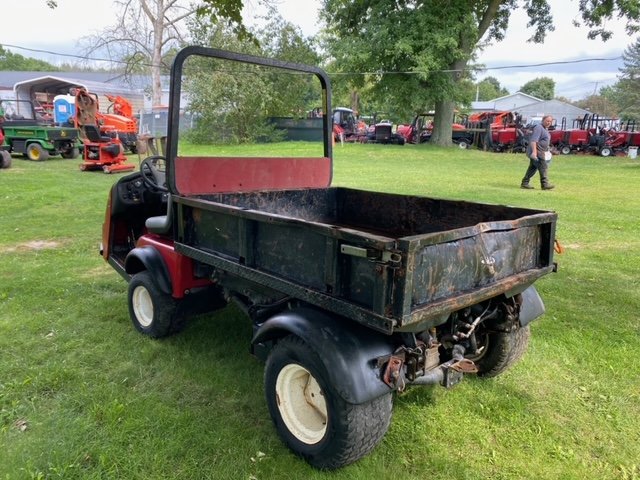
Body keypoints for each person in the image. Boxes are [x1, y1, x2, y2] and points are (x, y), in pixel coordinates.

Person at [521, 115, 555, 190]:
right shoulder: (538, 128)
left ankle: (525, 183)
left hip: (542, 151)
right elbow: (533, 141)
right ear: (543, 120)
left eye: (550, 121)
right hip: (537, 151)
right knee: (543, 167)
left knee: (533, 168)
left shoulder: (545, 129)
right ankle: (545, 184)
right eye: (547, 121)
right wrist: (534, 152)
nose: (549, 122)